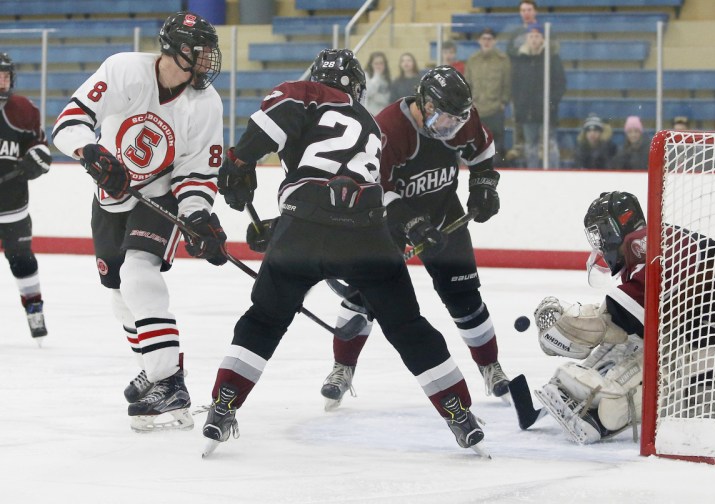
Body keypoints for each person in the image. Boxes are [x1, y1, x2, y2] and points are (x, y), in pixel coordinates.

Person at [202, 50, 487, 458]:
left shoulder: (312, 93)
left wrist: (240, 160)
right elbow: (343, 182)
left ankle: (223, 405)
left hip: (303, 227)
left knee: (263, 320)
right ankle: (459, 414)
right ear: (357, 86)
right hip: (366, 232)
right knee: (408, 326)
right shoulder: (370, 122)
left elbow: (281, 115)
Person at [52, 11, 227, 432]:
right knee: (118, 293)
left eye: (209, 54)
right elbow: (68, 123)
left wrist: (198, 216)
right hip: (111, 197)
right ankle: (156, 368)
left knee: (137, 275)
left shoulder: (205, 104)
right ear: (174, 50)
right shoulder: (125, 70)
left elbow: (196, 174)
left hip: (158, 197)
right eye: (199, 54)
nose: (208, 62)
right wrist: (90, 153)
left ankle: (169, 382)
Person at [319, 65, 509, 411]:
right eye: (445, 118)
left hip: (444, 213)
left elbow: (481, 150)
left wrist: (483, 185)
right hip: (388, 222)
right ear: (424, 103)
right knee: (365, 298)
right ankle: (342, 368)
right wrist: (411, 224)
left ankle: (490, 367)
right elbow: (376, 187)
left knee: (464, 295)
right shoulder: (387, 129)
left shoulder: (459, 118)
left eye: (456, 120)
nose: (451, 127)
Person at [531, 191, 715, 443]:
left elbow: (627, 315)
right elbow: (634, 322)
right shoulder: (643, 252)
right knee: (645, 342)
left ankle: (603, 415)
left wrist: (585, 322)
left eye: (598, 232)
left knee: (665, 352)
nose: (598, 241)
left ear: (614, 227)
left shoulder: (659, 241)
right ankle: (591, 400)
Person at [0, 52, 51, 343]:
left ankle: (34, 308)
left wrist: (37, 159)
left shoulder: (23, 109)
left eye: (5, 76)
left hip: (13, 206)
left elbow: (39, 145)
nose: (3, 81)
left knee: (22, 261)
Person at [510, 23, 566, 169]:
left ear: (543, 39)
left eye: (537, 36)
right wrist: (520, 105)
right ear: (527, 39)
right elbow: (515, 85)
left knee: (550, 144)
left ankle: (554, 173)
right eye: (531, 36)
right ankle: (532, 173)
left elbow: (560, 83)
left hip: (547, 111)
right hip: (528, 112)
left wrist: (551, 103)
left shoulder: (552, 58)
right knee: (531, 146)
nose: (534, 39)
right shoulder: (520, 59)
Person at [465, 28, 512, 167]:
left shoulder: (502, 60)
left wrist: (503, 102)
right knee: (476, 143)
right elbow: (467, 84)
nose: (486, 42)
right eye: (484, 39)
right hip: (477, 109)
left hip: (495, 109)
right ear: (479, 41)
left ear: (494, 41)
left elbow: (507, 83)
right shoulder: (472, 60)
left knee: (496, 144)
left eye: (489, 39)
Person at [363, 51, 391, 116]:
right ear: (371, 64)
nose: (379, 66)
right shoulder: (365, 76)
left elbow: (387, 99)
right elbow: (367, 93)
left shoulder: (387, 79)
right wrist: (376, 76)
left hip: (383, 114)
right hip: (369, 114)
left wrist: (375, 97)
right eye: (376, 63)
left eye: (381, 63)